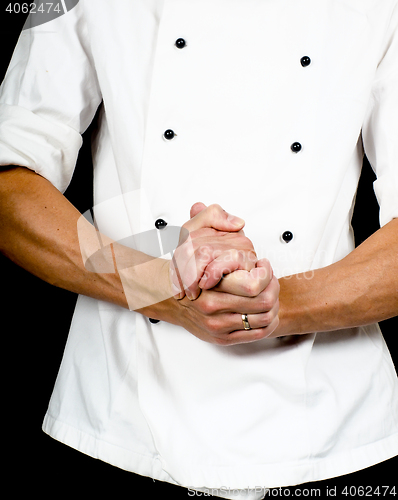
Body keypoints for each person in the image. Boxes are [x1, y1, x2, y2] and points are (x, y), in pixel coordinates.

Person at [0, 1, 397, 498]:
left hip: (332, 431)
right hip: (120, 422)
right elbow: (9, 187)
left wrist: (274, 306)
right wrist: (160, 284)